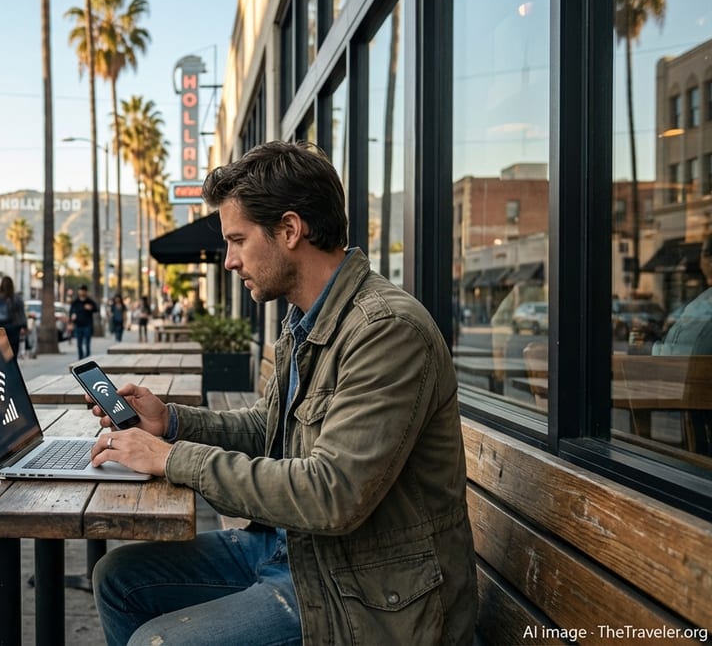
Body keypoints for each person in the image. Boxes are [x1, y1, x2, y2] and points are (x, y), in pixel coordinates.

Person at [87, 141, 476, 645]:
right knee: (118, 578)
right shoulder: (306, 319)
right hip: (294, 551)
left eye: (237, 240)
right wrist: (171, 422)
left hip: (366, 591)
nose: (228, 261)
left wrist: (171, 457)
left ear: (290, 230)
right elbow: (264, 427)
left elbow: (331, 494)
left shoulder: (387, 330)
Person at [0, 276, 27, 358]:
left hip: (0, 327)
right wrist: (24, 326)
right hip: (14, 328)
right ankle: (12, 368)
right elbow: (21, 313)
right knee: (13, 352)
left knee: (1, 353)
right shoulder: (17, 298)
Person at [69, 284, 97, 359]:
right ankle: (81, 358)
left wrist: (90, 308)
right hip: (78, 325)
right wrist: (71, 322)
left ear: (86, 292)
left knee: (87, 343)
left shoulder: (89, 301)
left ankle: (87, 358)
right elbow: (71, 312)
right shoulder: (76, 302)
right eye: (80, 290)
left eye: (83, 291)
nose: (82, 292)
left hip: (87, 325)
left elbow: (96, 309)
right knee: (79, 344)